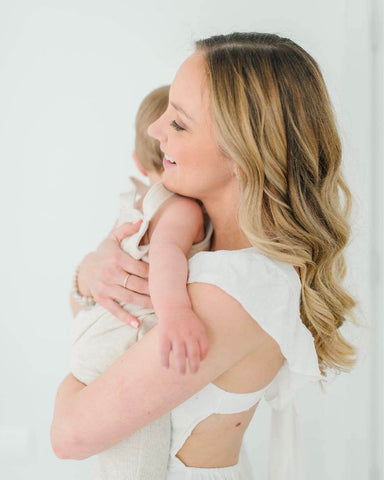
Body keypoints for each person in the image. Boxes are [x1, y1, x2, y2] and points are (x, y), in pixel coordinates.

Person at [51, 32, 359, 480]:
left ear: (241, 154)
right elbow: (101, 315)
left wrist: (82, 344)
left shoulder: (235, 290)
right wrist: (90, 272)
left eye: (178, 123)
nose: (155, 132)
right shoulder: (207, 248)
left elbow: (68, 435)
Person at [70, 84, 214, 480]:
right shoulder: (181, 206)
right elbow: (167, 255)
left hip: (96, 337)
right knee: (140, 462)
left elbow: (93, 289)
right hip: (126, 344)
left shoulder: (133, 205)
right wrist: (177, 315)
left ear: (136, 161)